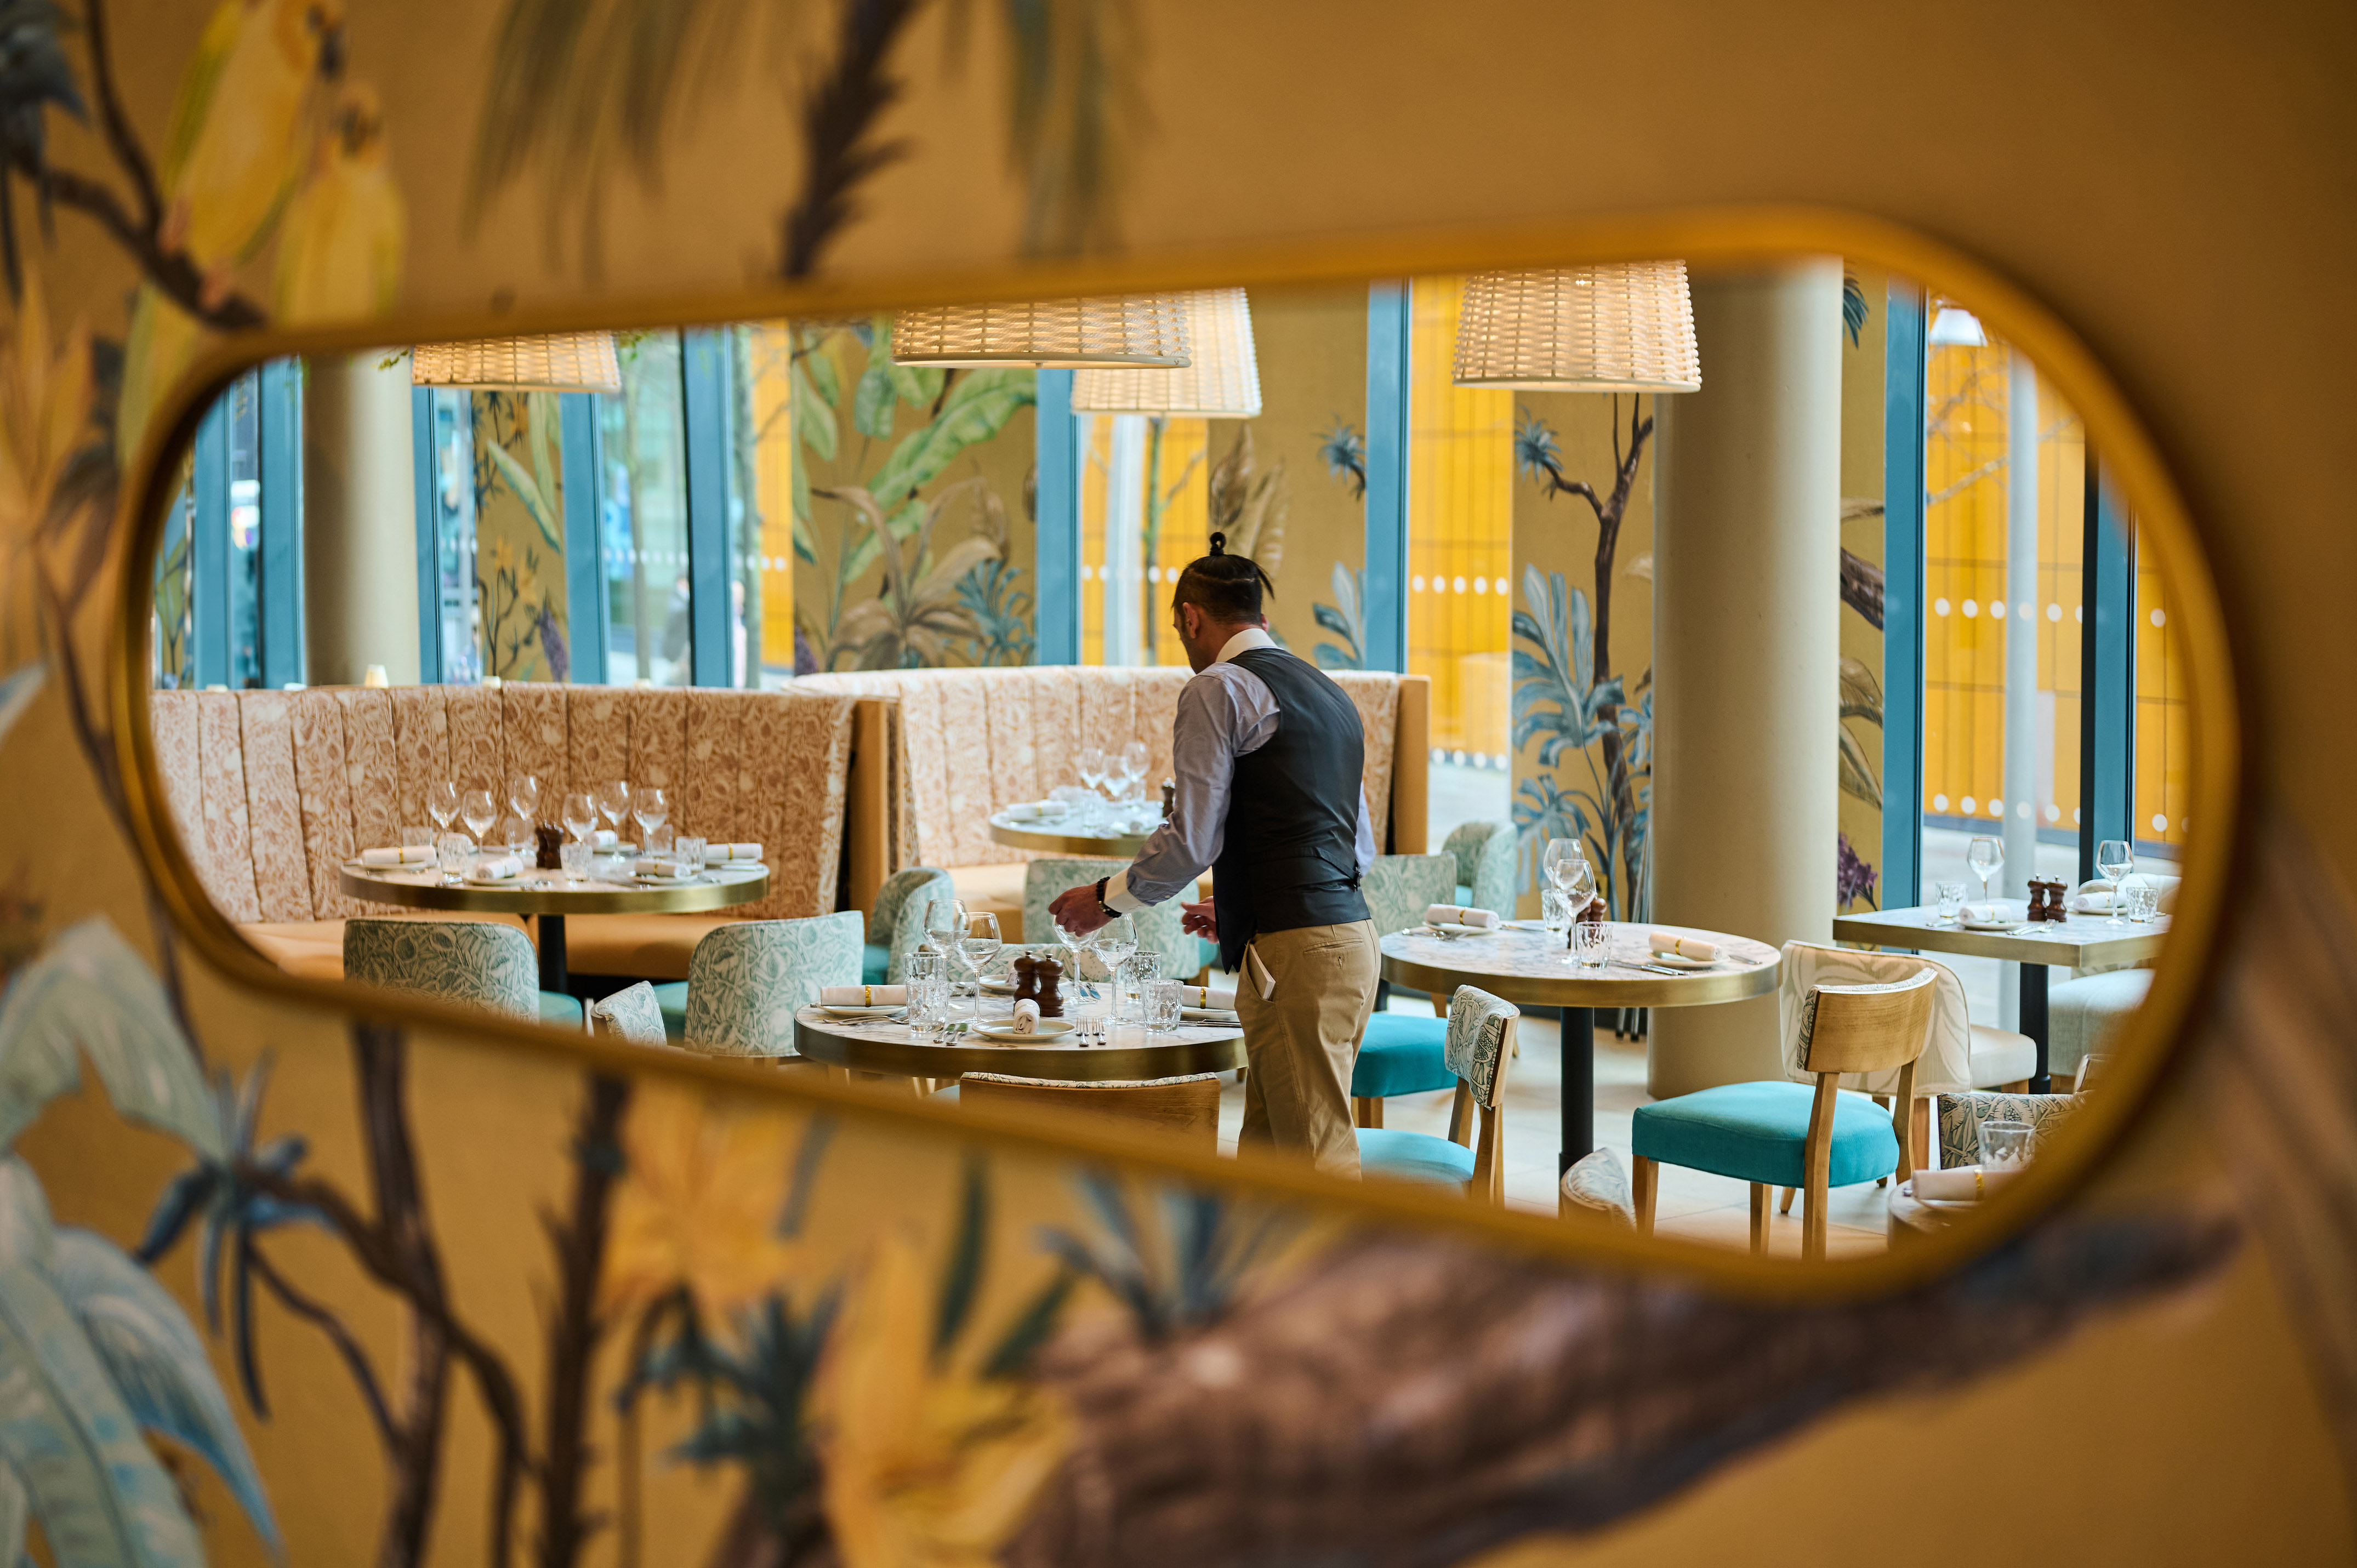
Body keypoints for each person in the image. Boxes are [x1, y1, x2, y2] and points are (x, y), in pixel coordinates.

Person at [1049, 534, 1378, 1176]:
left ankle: (1358, 1280)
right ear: (1261, 616)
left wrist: (1106, 900)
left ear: (1190, 617)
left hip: (1296, 953)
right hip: (1350, 944)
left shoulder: (1215, 688)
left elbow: (1193, 838)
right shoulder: (1328, 691)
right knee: (1267, 1160)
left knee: (1319, 1164)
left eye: (1179, 630)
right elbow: (1355, 845)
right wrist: (1246, 906)